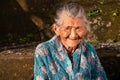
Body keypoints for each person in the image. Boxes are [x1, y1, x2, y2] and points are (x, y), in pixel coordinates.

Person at [34, 2, 108, 80]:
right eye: (67, 28)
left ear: (85, 29)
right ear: (56, 29)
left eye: (78, 28)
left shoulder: (89, 50)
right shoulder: (44, 51)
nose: (73, 35)